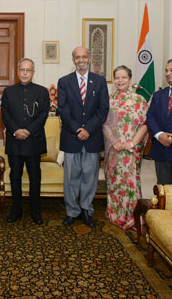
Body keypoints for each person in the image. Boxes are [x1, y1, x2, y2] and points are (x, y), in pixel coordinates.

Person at [57, 46, 109, 228]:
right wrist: (78, 129)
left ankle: (86, 209)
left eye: (84, 56)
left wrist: (88, 129)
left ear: (89, 58)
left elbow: (103, 110)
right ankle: (72, 211)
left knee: (90, 176)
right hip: (71, 137)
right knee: (71, 178)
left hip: (92, 138)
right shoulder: (64, 82)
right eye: (77, 57)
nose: (81, 60)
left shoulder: (100, 81)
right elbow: (63, 109)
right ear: (73, 60)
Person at [1, 58, 50, 225]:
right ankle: (16, 210)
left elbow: (43, 115)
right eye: (22, 69)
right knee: (15, 177)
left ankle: (35, 212)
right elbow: (5, 115)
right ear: (18, 71)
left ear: (33, 72)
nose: (25, 73)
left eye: (28, 70)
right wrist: (16, 130)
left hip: (33, 142)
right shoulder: (8, 92)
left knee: (35, 178)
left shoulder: (42, 91)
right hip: (14, 142)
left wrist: (28, 131)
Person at [102, 65, 149, 230]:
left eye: (124, 77)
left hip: (131, 150)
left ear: (130, 80)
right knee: (114, 182)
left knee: (130, 184)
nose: (120, 80)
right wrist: (115, 142)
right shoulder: (108, 99)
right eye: (117, 77)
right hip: (113, 149)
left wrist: (131, 143)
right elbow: (104, 123)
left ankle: (131, 217)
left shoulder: (139, 100)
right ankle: (115, 214)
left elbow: (145, 124)